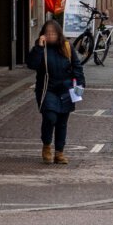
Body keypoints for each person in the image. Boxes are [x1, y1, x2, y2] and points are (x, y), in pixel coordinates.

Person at [25, 18, 84, 165]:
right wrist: (38, 47)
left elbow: (77, 67)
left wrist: (80, 85)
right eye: (47, 33)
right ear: (43, 34)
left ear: (59, 34)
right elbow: (32, 65)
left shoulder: (67, 46)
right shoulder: (41, 48)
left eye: (53, 33)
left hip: (66, 89)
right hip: (47, 89)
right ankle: (46, 145)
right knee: (50, 117)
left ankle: (59, 152)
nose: (50, 36)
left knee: (62, 122)